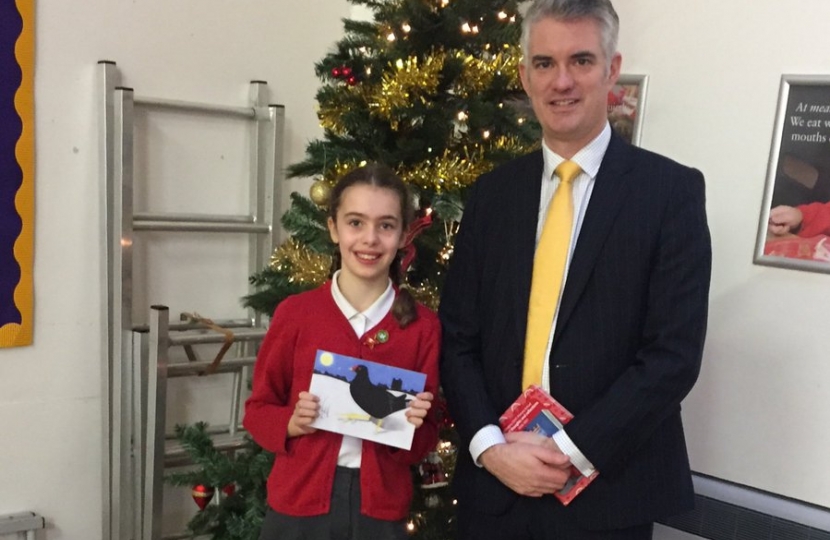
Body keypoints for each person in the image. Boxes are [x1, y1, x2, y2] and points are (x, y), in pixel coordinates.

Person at [438, 1, 712, 539]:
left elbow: (672, 356)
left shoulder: (669, 193)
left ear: (611, 69)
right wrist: (488, 447)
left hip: (607, 495)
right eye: (544, 63)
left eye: (581, 60)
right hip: (495, 490)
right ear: (525, 75)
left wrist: (568, 451)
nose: (561, 81)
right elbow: (458, 338)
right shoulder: (492, 195)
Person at [244, 163, 440, 540]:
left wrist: (414, 426)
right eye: (355, 223)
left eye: (385, 225)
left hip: (380, 511)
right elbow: (258, 410)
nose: (370, 239)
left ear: (403, 235)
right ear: (333, 228)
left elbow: (425, 436)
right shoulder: (296, 314)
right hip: (298, 506)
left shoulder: (422, 327)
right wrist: (291, 423)